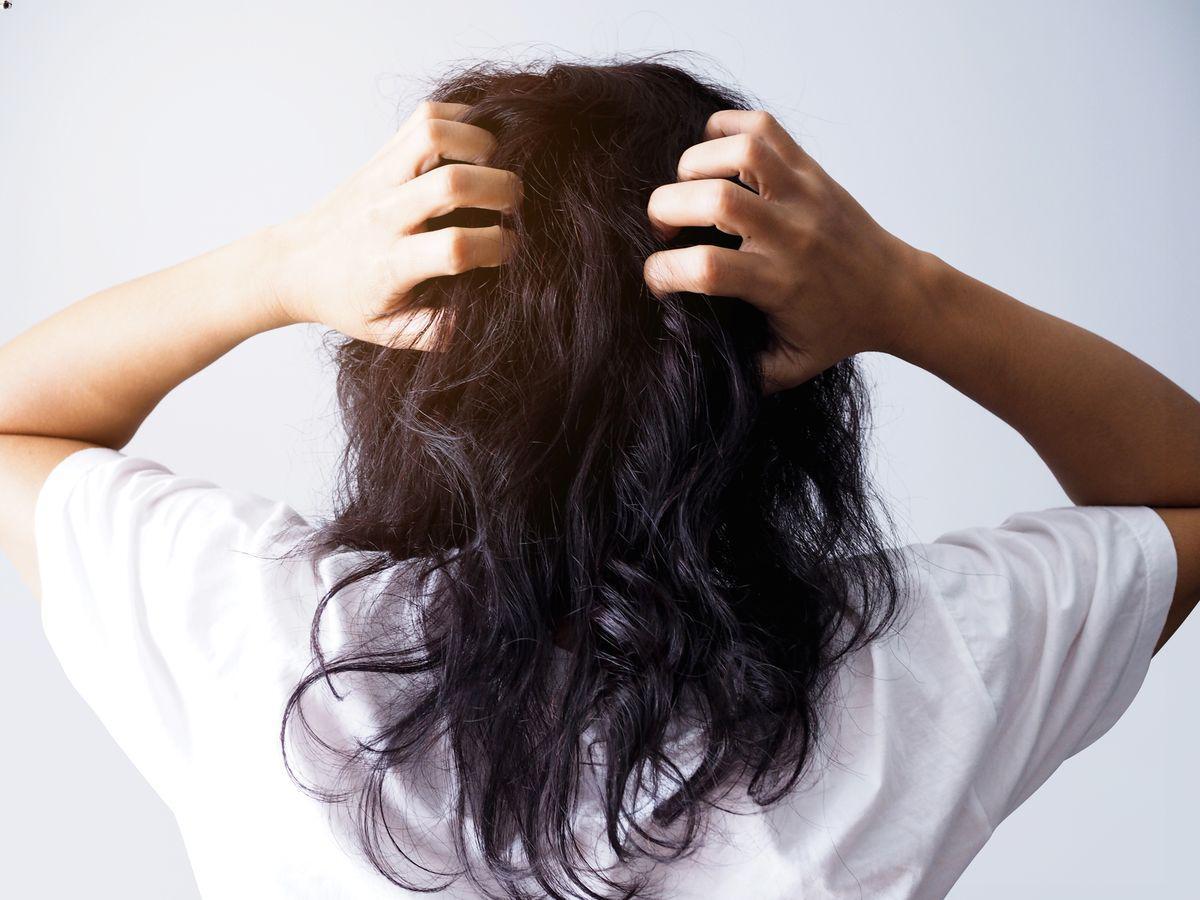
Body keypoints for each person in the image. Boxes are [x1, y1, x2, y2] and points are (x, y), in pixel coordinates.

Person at [1, 57, 1196, 900]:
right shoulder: (915, 665)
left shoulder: (260, 640)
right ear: (766, 375)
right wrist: (907, 294)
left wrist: (278, 268)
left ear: (419, 369)